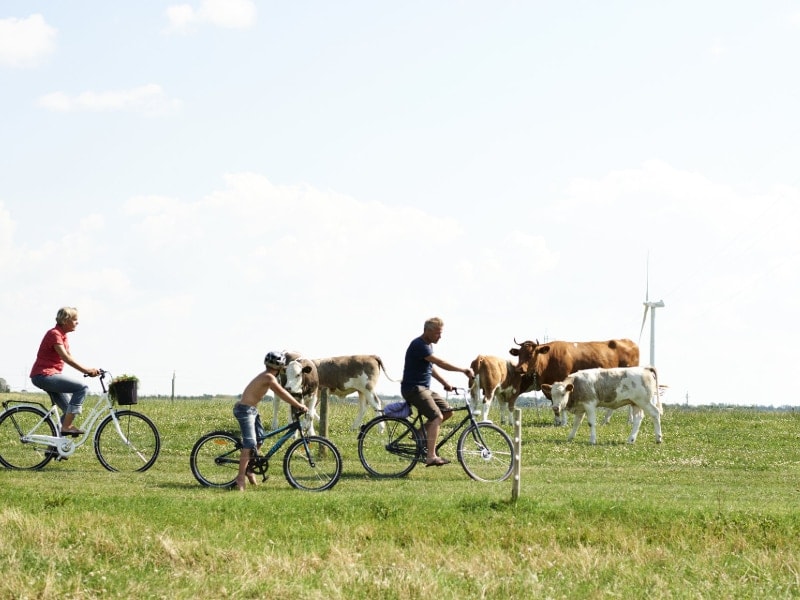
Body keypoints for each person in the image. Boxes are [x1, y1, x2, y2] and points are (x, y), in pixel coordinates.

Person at [401, 317, 474, 467]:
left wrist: (445, 383)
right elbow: (440, 363)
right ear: (427, 331)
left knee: (448, 411)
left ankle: (420, 434)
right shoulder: (419, 345)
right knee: (436, 417)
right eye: (437, 333)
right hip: (414, 389)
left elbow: (430, 368)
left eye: (441, 333)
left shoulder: (428, 346)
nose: (440, 337)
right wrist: (463, 370)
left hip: (424, 389)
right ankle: (431, 456)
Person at [233, 351, 309, 492]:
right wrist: (298, 405)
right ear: (280, 368)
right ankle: (240, 478)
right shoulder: (269, 378)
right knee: (249, 443)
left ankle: (250, 468)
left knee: (260, 439)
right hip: (244, 410)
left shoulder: (268, 376)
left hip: (252, 411)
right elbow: (282, 393)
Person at [30, 307, 100, 436]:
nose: (77, 322)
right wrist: (86, 370)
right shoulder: (54, 334)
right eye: (75, 319)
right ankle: (66, 427)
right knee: (82, 388)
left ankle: (54, 448)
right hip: (44, 375)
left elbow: (70, 357)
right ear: (65, 320)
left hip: (49, 375)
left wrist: (91, 370)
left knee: (69, 411)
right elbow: (66, 358)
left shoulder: (63, 336)